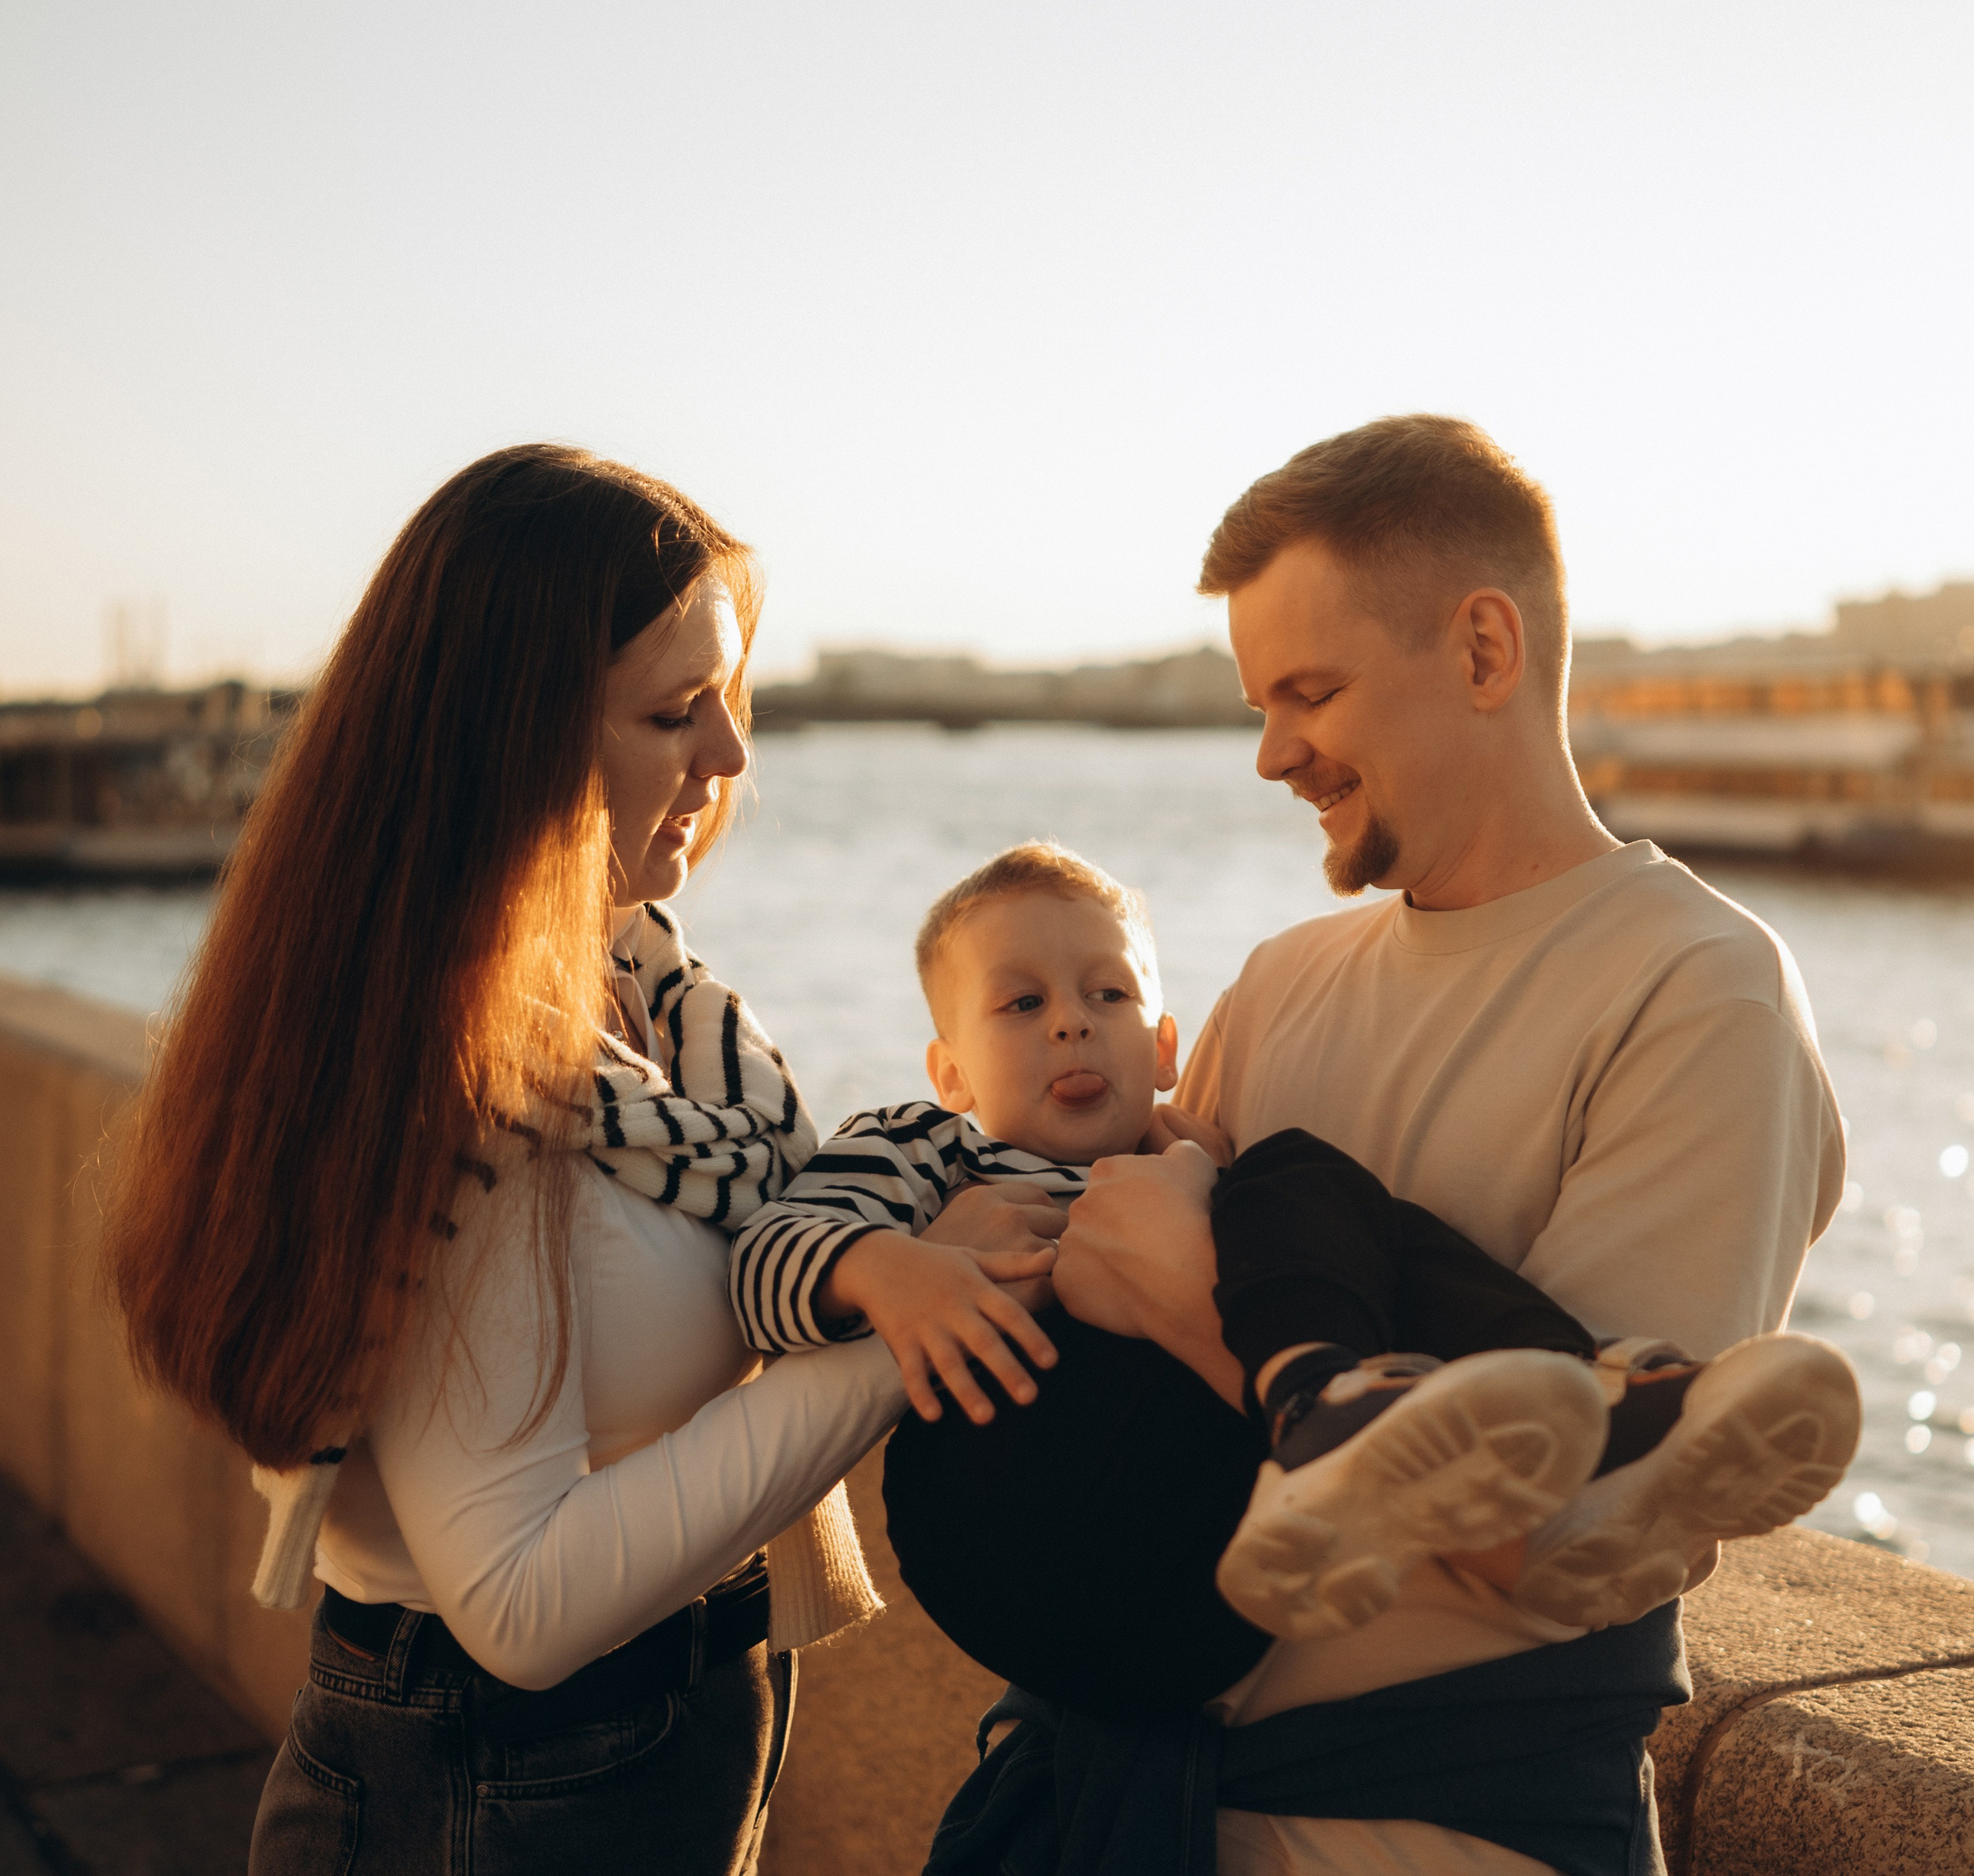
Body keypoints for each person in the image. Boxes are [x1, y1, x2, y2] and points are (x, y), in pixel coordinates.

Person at [99, 444, 1058, 1876]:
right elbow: (523, 1602)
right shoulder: (470, 1082)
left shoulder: (638, 1000)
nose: (728, 757)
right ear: (513, 737)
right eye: (676, 711)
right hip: (501, 1777)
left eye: (732, 700)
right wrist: (919, 1323)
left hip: (617, 1746)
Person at [919, 415, 1847, 1876]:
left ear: (1485, 651)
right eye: (1257, 705)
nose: (1276, 751)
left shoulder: (1695, 989)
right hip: (1130, 1806)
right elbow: (1112, 1288)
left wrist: (1187, 1298)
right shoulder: (1284, 978)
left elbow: (1580, 1527)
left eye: (1311, 690)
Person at [735, 841, 1855, 1721]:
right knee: (1286, 1181)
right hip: (1008, 1514)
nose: (1071, 1019)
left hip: (1202, 1589)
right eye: (1019, 1004)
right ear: (949, 1069)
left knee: (1311, 1191)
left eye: (1107, 995)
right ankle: (1325, 1398)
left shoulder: (1198, 1158)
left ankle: (1592, 1388)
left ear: (1167, 1044)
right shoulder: (927, 1145)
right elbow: (765, 1263)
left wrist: (1207, 1184)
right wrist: (900, 1270)